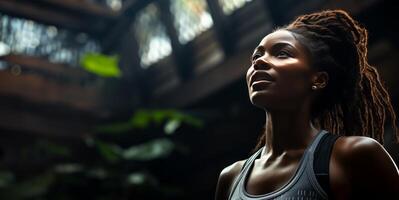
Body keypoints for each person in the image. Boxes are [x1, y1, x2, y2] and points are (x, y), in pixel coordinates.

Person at [215, 9, 399, 200]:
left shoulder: (354, 156)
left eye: (282, 53)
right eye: (256, 57)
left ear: (318, 79)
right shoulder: (230, 178)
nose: (260, 62)